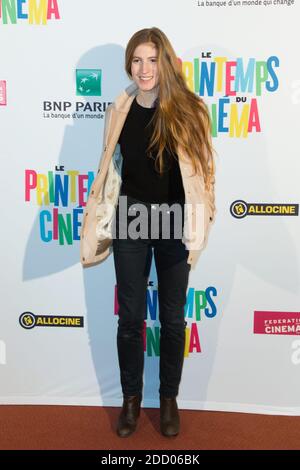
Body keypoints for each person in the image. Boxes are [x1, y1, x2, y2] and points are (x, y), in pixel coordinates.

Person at [80, 27, 216, 438]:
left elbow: (206, 172)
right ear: (129, 64)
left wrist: (202, 215)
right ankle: (131, 400)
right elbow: (111, 167)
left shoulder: (190, 109)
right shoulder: (119, 108)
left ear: (166, 63)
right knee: (131, 319)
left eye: (152, 60)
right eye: (137, 60)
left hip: (174, 221)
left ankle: (169, 398)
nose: (144, 69)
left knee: (173, 320)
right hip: (132, 219)